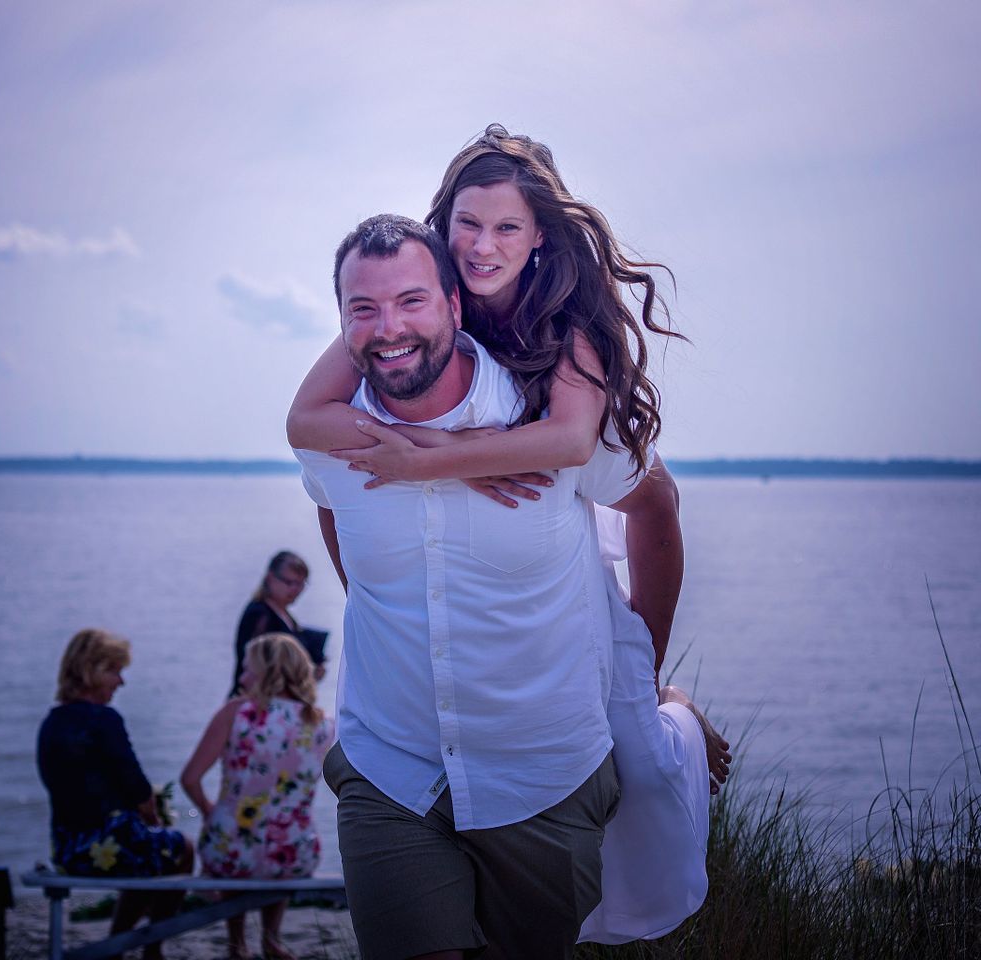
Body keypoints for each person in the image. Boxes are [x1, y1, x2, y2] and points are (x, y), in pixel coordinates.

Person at [293, 213, 675, 959]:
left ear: (454, 304)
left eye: (411, 301)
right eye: (362, 309)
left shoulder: (546, 417)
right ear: (340, 322)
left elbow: (656, 509)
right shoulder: (332, 440)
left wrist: (643, 672)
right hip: (390, 769)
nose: (388, 328)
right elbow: (329, 507)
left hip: (545, 777)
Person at [36, 628, 193, 958]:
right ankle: (149, 947)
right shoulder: (104, 720)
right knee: (180, 849)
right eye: (115, 671)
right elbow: (136, 786)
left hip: (67, 849)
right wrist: (152, 814)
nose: (121, 682)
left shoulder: (51, 723)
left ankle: (118, 946)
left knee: (143, 850)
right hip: (105, 849)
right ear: (92, 670)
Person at [182, 633, 335, 960]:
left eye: (247, 669)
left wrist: (209, 812)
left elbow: (190, 779)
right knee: (280, 832)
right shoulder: (323, 725)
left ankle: (237, 942)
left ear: (268, 672)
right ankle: (271, 938)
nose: (241, 678)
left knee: (235, 834)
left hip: (231, 851)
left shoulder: (237, 713)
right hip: (296, 853)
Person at [229, 551, 326, 696]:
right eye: (289, 582)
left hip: (276, 701)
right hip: (254, 700)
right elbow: (255, 667)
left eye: (301, 583)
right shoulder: (259, 614)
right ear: (270, 578)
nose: (295, 589)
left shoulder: (283, 614)